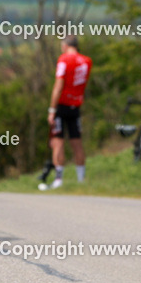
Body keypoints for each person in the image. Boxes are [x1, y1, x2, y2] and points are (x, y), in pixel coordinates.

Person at [47, 35, 92, 188]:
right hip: (76, 106)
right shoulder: (87, 61)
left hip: (62, 105)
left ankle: (58, 179)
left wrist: (52, 110)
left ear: (65, 46)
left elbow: (58, 85)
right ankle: (81, 179)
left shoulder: (64, 60)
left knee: (58, 142)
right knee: (77, 142)